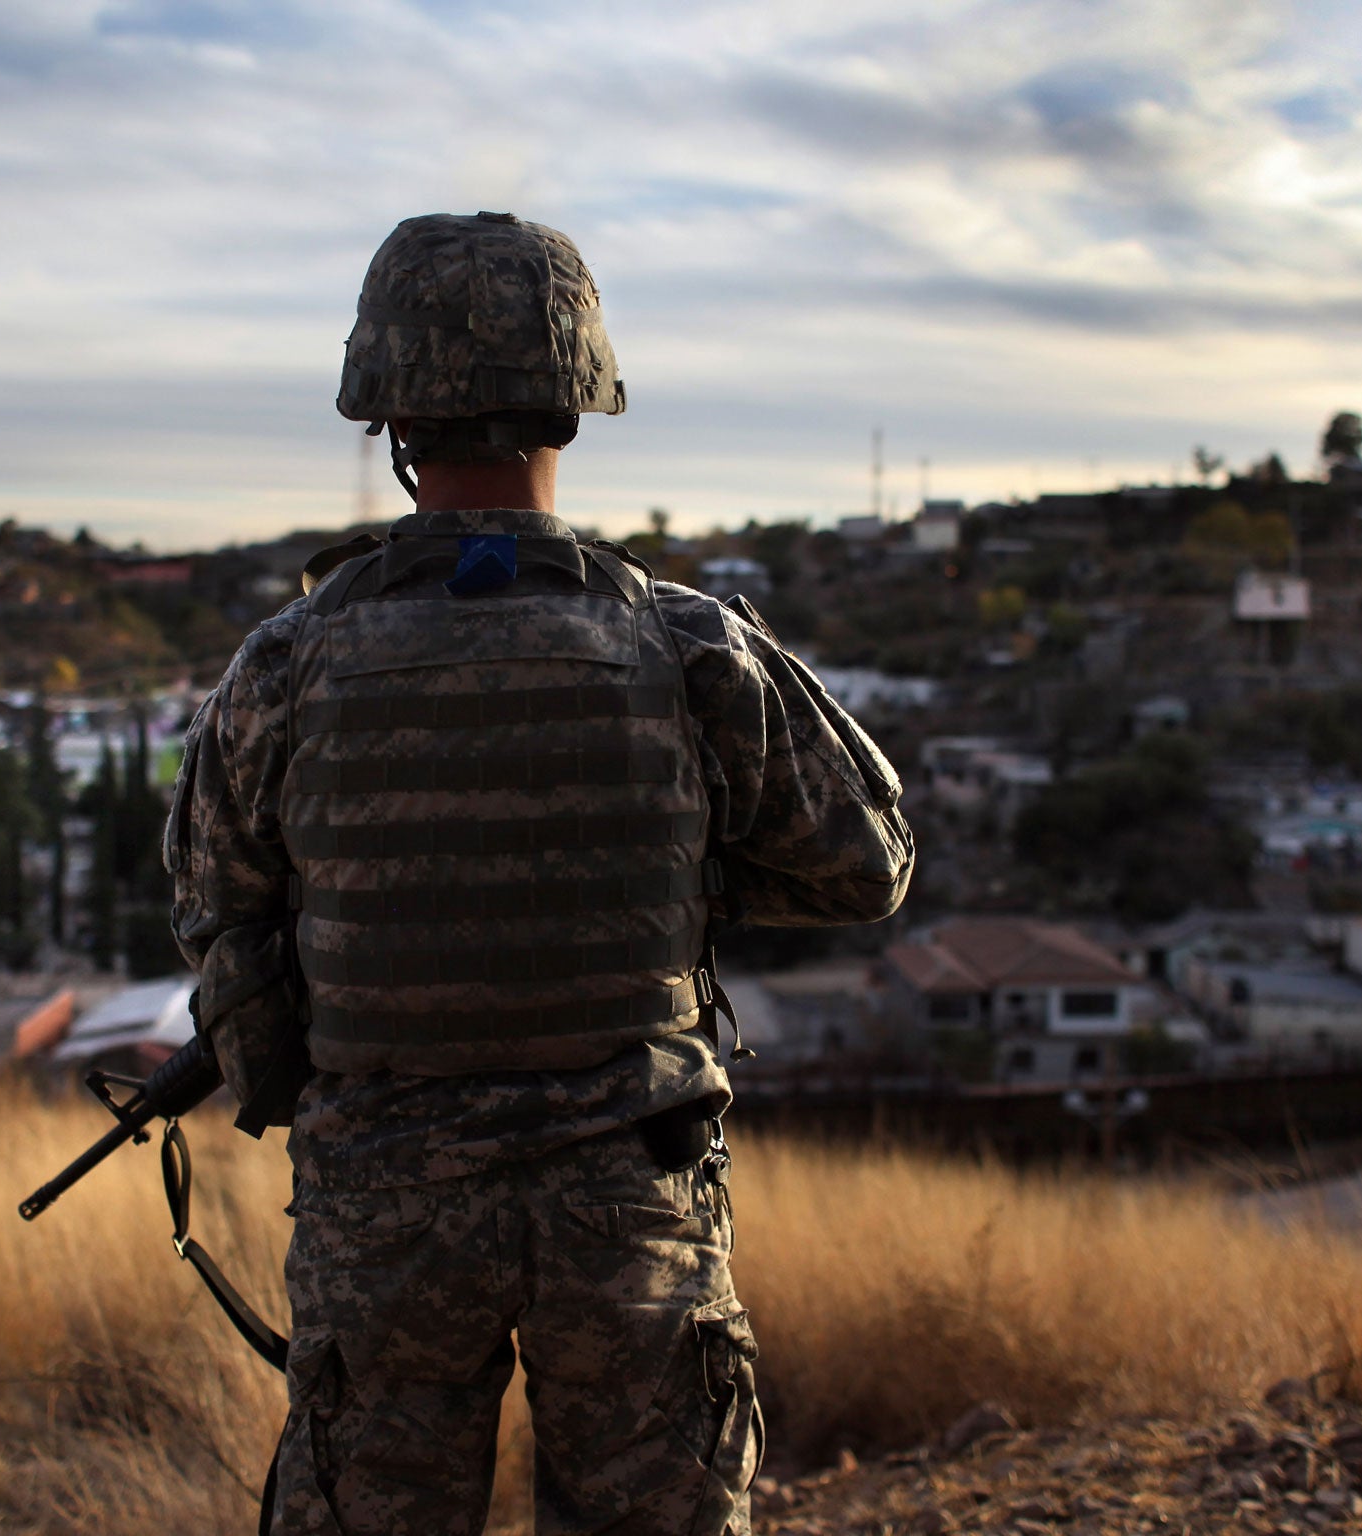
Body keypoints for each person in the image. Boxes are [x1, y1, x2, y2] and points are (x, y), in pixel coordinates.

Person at [166, 211, 914, 1536]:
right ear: (576, 403)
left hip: (384, 1213)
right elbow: (869, 864)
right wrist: (670, 879)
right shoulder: (689, 648)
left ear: (392, 423)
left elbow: (221, 917)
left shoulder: (283, 667)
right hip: (629, 1208)